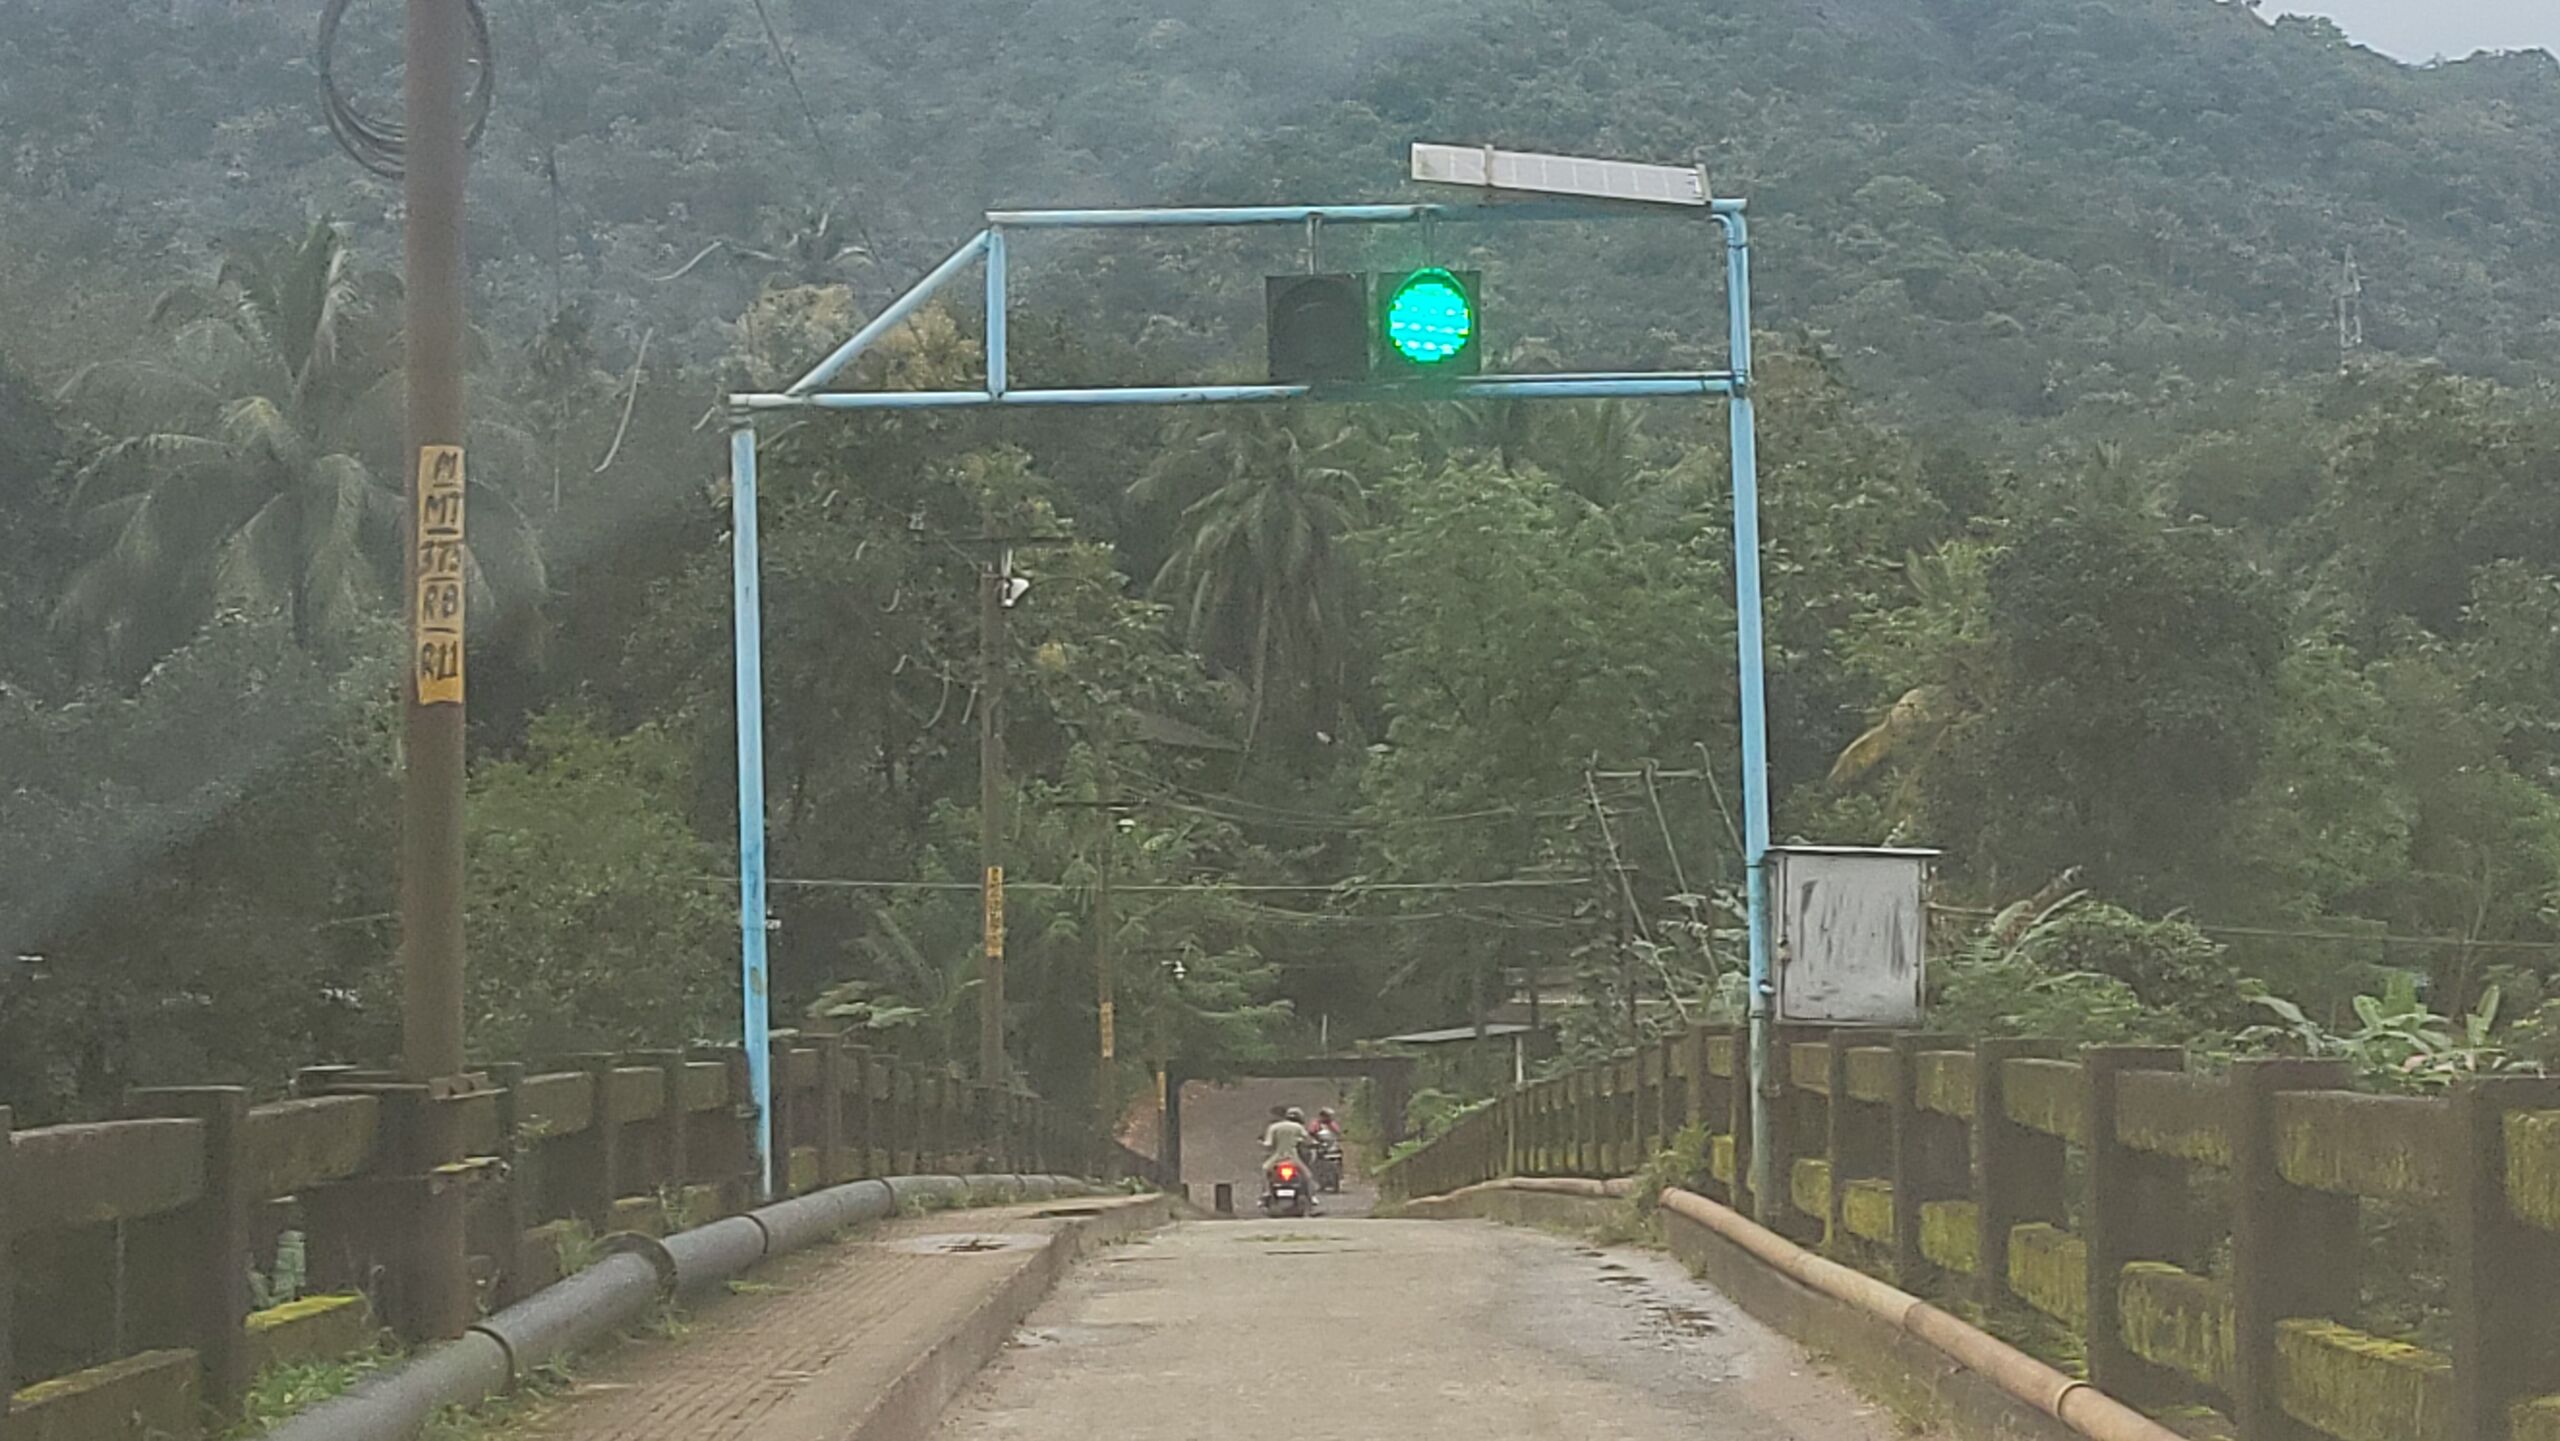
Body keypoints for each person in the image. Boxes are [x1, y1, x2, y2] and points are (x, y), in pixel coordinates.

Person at [1260, 1106, 1317, 1212]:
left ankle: (1266, 1193)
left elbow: (1268, 1144)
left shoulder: (1274, 1127)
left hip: (1277, 1157)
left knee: (1264, 1170)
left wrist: (1263, 1144)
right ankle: (1312, 1197)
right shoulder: (1298, 1127)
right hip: (1293, 1157)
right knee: (1308, 1176)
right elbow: (1308, 1141)